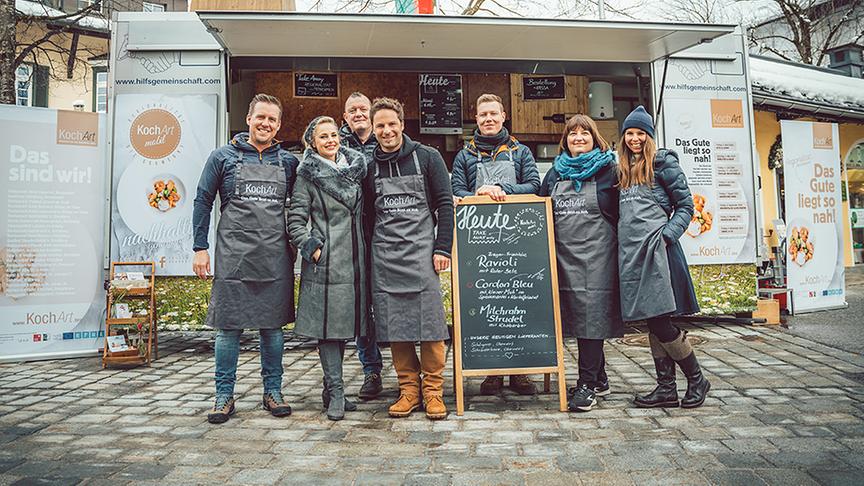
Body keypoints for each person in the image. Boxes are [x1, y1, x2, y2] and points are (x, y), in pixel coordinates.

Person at [192, 93, 299, 424]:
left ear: (278, 125)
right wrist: (199, 248)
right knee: (228, 328)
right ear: (248, 119)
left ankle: (273, 392)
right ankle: (224, 396)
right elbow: (202, 200)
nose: (265, 123)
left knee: (273, 329)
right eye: (260, 117)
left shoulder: (289, 163)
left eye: (272, 119)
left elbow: (302, 206)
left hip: (274, 256)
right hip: (233, 255)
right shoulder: (222, 158)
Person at [616, 106, 710, 409]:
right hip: (633, 254)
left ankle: (697, 379)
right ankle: (666, 389)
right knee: (654, 321)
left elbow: (686, 206)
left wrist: (667, 236)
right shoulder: (621, 167)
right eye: (630, 133)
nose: (634, 139)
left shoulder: (663, 162)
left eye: (640, 133)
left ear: (649, 136)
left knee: (660, 321)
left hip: (659, 253)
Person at [366, 97, 453, 420]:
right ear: (373, 130)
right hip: (385, 257)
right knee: (395, 327)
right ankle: (408, 391)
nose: (387, 131)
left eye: (392, 124)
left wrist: (443, 248)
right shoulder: (369, 165)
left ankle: (433, 391)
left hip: (422, 255)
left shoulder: (427, 158)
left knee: (431, 327)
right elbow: (366, 217)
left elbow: (445, 205)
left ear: (402, 125)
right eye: (380, 126)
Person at [451, 93, 541, 396]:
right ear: (476, 119)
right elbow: (457, 191)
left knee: (517, 305)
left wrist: (503, 189)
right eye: (482, 115)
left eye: (493, 113)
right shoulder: (464, 155)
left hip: (518, 240)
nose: (488, 119)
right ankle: (491, 371)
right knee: (488, 305)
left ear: (503, 116)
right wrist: (478, 196)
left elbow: (534, 186)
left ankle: (519, 372)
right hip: (480, 242)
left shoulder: (521, 152)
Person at [287, 116, 370, 421]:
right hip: (327, 263)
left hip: (356, 261)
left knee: (347, 328)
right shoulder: (307, 175)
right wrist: (313, 249)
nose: (331, 140)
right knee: (329, 331)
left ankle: (329, 388)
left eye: (334, 134)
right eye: (323, 137)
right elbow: (295, 219)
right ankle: (336, 391)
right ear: (312, 143)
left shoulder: (356, 169)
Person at [539, 114, 623, 412]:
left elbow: (624, 212)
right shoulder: (554, 174)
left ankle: (586, 385)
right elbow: (539, 208)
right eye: (573, 134)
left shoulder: (610, 172)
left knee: (591, 317)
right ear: (566, 140)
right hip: (562, 257)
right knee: (577, 318)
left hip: (598, 258)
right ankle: (599, 378)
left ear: (594, 137)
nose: (578, 138)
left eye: (584, 133)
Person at [338, 91, 383, 400]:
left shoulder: (384, 143)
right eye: (352, 110)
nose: (357, 113)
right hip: (350, 234)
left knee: (386, 300)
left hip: (385, 231)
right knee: (360, 306)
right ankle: (372, 370)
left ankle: (409, 372)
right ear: (345, 117)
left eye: (362, 108)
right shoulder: (336, 148)